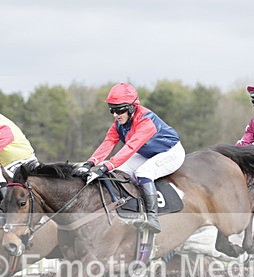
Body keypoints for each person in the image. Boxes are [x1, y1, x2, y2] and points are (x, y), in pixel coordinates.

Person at [72, 82, 184, 233]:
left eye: (119, 110)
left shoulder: (146, 121)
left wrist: (106, 166)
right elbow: (108, 142)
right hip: (147, 152)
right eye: (112, 110)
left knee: (144, 172)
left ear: (132, 107)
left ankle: (152, 218)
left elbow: (131, 148)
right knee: (118, 170)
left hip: (170, 152)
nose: (115, 115)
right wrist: (90, 163)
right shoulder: (119, 123)